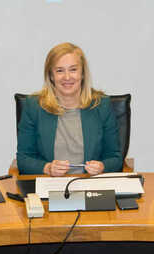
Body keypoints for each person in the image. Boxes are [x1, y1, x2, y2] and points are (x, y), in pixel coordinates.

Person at [17, 42, 122, 176]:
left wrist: (102, 166)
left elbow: (115, 158)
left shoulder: (101, 105)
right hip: (50, 183)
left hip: (90, 182)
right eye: (60, 71)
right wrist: (47, 168)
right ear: (51, 76)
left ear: (82, 73)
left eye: (73, 69)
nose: (67, 77)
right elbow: (24, 159)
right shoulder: (34, 106)